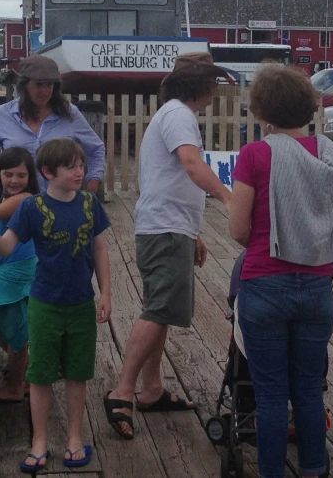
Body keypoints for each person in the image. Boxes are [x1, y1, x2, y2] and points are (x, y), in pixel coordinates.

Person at [228, 65, 333, 478]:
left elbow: (239, 230)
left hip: (264, 284)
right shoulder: (330, 154)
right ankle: (314, 469)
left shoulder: (256, 154)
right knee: (308, 389)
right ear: (308, 107)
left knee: (270, 396)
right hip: (319, 286)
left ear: (263, 111)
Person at [104, 52, 233, 439]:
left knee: (160, 309)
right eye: (211, 79)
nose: (215, 86)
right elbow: (191, 165)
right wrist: (229, 197)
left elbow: (163, 179)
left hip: (167, 228)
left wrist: (191, 231)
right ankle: (122, 391)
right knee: (158, 309)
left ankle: (152, 389)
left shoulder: (172, 113)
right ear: (197, 84)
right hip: (164, 230)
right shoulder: (179, 116)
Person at [0, 138, 112, 471]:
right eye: (71, 166)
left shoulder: (90, 203)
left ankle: (74, 438)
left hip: (82, 303)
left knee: (77, 372)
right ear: (47, 172)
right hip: (44, 303)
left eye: (81, 165)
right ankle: (39, 442)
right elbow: (3, 247)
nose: (80, 171)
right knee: (40, 374)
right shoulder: (31, 208)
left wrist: (106, 293)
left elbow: (100, 249)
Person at [0, 54, 105, 204]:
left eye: (49, 84)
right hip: (16, 208)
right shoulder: (3, 115)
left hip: (62, 206)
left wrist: (93, 183)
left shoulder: (70, 114)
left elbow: (96, 148)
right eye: (38, 84)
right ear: (24, 85)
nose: (45, 91)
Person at [0, 147, 40, 403]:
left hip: (19, 269)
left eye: (21, 175)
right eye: (8, 174)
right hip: (3, 266)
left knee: (16, 331)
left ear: (30, 177)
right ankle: (28, 374)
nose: (14, 181)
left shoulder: (25, 199)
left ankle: (15, 386)